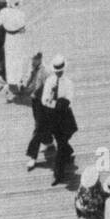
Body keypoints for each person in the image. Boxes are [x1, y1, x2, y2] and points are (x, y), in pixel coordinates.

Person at [42, 53, 78, 185]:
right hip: (53, 116)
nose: (58, 73)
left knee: (61, 145)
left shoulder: (68, 83)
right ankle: (69, 152)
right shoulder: (49, 81)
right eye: (56, 71)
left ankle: (58, 174)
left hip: (64, 116)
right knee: (60, 141)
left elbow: (70, 100)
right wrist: (52, 101)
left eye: (60, 71)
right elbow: (44, 100)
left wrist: (60, 103)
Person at [23, 49, 53, 170]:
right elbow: (28, 82)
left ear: (40, 59)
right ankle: (48, 141)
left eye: (34, 59)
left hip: (43, 103)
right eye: (31, 59)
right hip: (35, 101)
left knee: (38, 128)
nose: (32, 61)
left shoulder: (45, 71)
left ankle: (32, 156)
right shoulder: (33, 68)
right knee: (41, 124)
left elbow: (49, 88)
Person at [0, 0, 28, 102]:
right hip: (18, 38)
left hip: (9, 38)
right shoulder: (20, 13)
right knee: (19, 60)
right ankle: (19, 83)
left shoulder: (3, 12)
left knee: (10, 61)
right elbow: (23, 28)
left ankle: (11, 85)